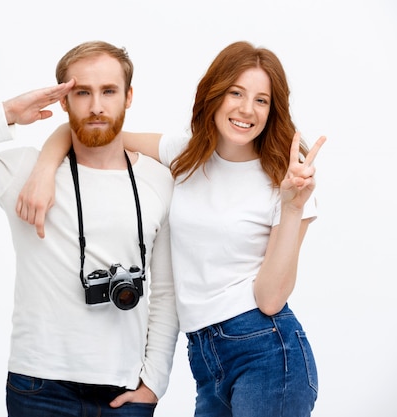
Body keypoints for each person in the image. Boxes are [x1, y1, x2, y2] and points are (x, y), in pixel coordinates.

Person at [16, 41, 326, 417]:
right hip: (204, 355)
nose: (247, 109)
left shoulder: (287, 182)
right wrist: (44, 170)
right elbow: (93, 131)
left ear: (272, 110)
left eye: (262, 100)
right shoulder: (186, 154)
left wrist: (293, 209)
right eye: (236, 93)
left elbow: (271, 299)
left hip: (267, 351)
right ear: (214, 94)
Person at [0, 41, 179, 417]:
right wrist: (9, 113)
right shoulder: (25, 171)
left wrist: (155, 382)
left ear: (128, 97)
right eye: (82, 92)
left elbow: (165, 292)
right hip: (39, 384)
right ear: (64, 101)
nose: (96, 106)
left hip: (126, 387)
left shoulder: (157, 181)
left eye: (109, 91)